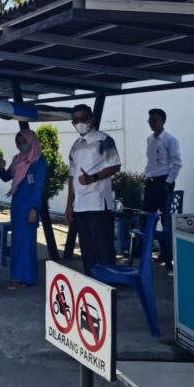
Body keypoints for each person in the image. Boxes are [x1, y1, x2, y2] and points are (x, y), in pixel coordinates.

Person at [66, 104, 121, 276]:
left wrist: (93, 178)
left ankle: (109, 283)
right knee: (86, 248)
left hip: (98, 203)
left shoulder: (104, 140)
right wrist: (69, 205)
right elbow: (72, 177)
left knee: (103, 246)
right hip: (80, 205)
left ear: (92, 119)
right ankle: (92, 282)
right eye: (75, 120)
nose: (80, 123)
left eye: (83, 118)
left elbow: (115, 165)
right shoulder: (75, 145)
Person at [0, 129, 47, 289]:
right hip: (17, 204)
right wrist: (1, 168)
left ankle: (20, 278)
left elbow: (38, 188)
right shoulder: (18, 159)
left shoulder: (39, 162)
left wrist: (34, 208)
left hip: (29, 206)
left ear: (31, 141)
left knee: (25, 242)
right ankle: (26, 277)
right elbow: (7, 177)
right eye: (18, 142)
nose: (21, 145)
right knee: (19, 241)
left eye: (24, 141)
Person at [143, 108, 182, 270]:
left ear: (162, 121)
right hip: (151, 181)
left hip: (164, 182)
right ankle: (151, 252)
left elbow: (177, 162)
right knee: (147, 218)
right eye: (150, 120)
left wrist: (168, 182)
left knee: (166, 220)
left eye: (155, 120)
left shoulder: (170, 139)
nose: (152, 123)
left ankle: (168, 256)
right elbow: (150, 161)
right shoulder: (149, 139)